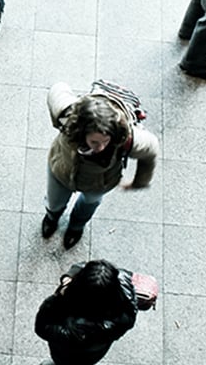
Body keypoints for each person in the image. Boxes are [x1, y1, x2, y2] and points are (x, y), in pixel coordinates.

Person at [44, 81, 159, 249]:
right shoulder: (68, 117)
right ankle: (52, 217)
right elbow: (57, 89)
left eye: (106, 141)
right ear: (81, 131)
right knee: (55, 201)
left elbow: (151, 147)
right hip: (61, 169)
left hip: (100, 181)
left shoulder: (125, 137)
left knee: (89, 203)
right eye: (95, 141)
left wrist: (140, 181)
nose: (101, 147)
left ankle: (76, 227)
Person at [34, 259, 138, 365]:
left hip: (75, 353)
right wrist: (69, 277)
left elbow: (42, 328)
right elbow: (84, 267)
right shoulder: (120, 287)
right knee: (64, 362)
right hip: (92, 351)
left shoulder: (78, 330)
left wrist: (58, 297)